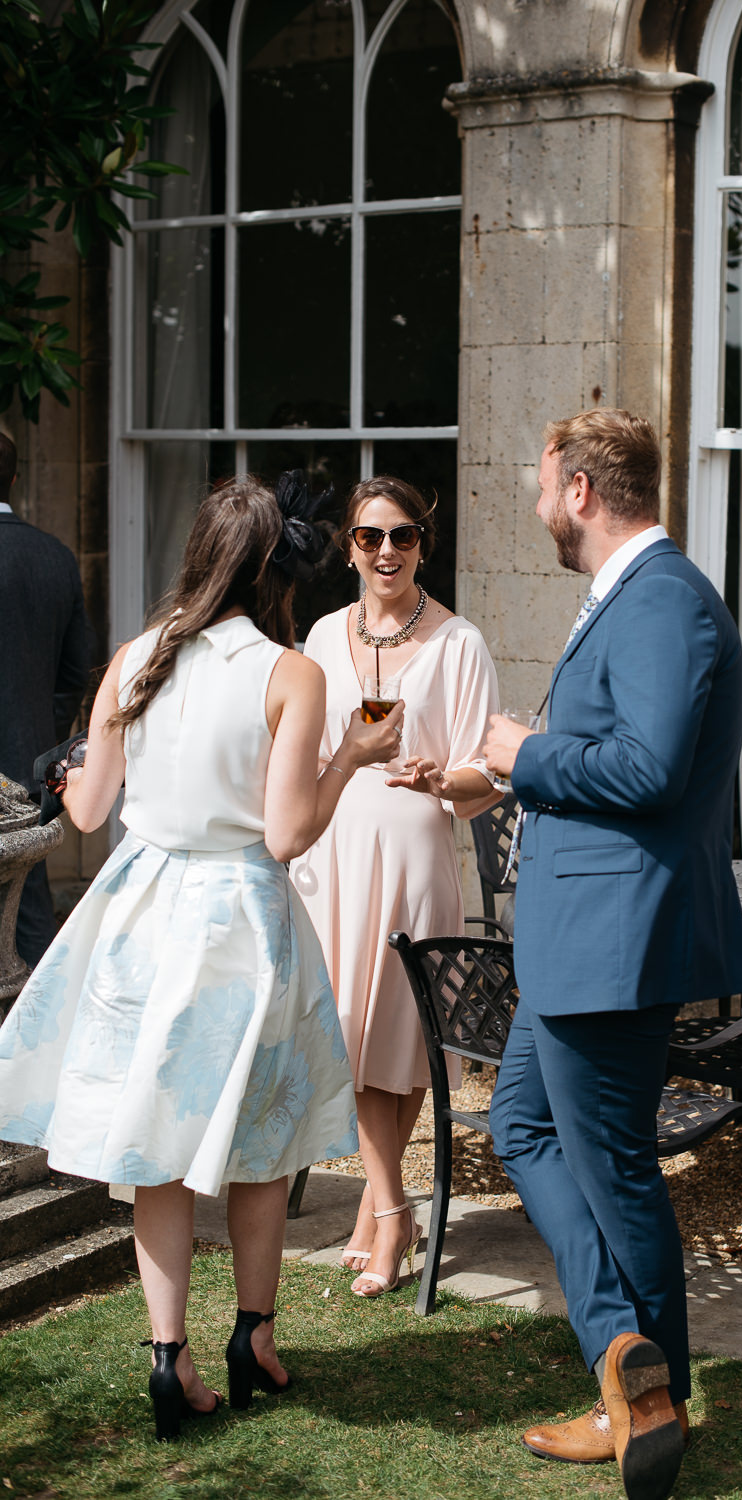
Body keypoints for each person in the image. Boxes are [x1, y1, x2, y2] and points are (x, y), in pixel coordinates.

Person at [0, 474, 404, 1441]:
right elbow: (285, 835)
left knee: (157, 1153)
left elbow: (88, 813)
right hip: (237, 927)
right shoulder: (289, 672)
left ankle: (166, 1352)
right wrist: (350, 755)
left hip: (141, 918)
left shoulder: (136, 657)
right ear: (277, 571)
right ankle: (253, 1336)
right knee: (259, 1146)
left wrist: (75, 767)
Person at [484, 410, 742, 1500]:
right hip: (572, 936)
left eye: (544, 488)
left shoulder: (662, 603)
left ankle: (647, 1399)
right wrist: (491, 773)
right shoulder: (627, 599)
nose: (537, 505)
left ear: (584, 493)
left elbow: (644, 770)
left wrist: (529, 754)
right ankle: (620, 1355)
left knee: (617, 1175)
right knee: (519, 1124)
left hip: (610, 941)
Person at [290, 476, 499, 1297]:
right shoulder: (317, 635)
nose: (386, 551)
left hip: (412, 854)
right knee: (345, 1035)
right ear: (346, 547)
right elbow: (300, 752)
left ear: (423, 543)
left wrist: (438, 778)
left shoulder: (459, 644)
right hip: (332, 855)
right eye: (370, 537)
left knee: (393, 1044)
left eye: (403, 536)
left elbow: (487, 778)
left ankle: (384, 1212)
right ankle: (389, 1207)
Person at [0, 431, 94, 966]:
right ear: (15, 477)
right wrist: (40, 729)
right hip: (25, 764)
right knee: (28, 910)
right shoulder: (55, 556)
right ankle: (35, 1044)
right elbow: (75, 668)